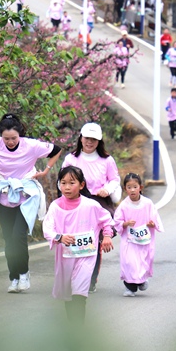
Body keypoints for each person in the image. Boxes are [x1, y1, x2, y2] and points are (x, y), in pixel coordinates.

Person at [0, 113, 62, 293]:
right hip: (4, 194)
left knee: (19, 236)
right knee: (9, 239)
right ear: (0, 136)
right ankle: (13, 277)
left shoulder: (31, 145)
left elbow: (56, 150)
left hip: (26, 196)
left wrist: (45, 171)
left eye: (14, 138)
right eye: (6, 139)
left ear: (20, 134)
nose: (10, 142)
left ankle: (24, 274)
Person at [43, 166, 114, 351]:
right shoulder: (55, 206)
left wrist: (107, 236)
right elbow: (47, 227)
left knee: (79, 293)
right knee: (68, 295)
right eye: (63, 183)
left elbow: (106, 220)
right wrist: (59, 237)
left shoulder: (91, 205)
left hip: (86, 257)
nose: (66, 187)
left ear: (81, 185)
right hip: (65, 257)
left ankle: (77, 337)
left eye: (71, 183)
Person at [61, 123, 121, 292]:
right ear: (81, 138)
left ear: (99, 141)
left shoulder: (106, 160)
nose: (89, 142)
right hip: (75, 203)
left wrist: (107, 190)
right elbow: (62, 180)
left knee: (93, 243)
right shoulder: (71, 159)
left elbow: (114, 179)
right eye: (87, 138)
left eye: (94, 139)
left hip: (97, 203)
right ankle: (73, 277)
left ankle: (90, 280)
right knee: (74, 241)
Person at [114, 173, 163, 296]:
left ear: (140, 187)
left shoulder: (147, 204)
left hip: (144, 239)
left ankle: (142, 281)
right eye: (129, 187)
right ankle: (130, 288)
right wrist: (126, 224)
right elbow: (117, 222)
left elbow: (155, 219)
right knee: (129, 262)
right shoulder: (124, 206)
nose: (132, 190)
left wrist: (152, 224)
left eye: (135, 187)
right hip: (130, 240)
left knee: (143, 261)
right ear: (125, 189)